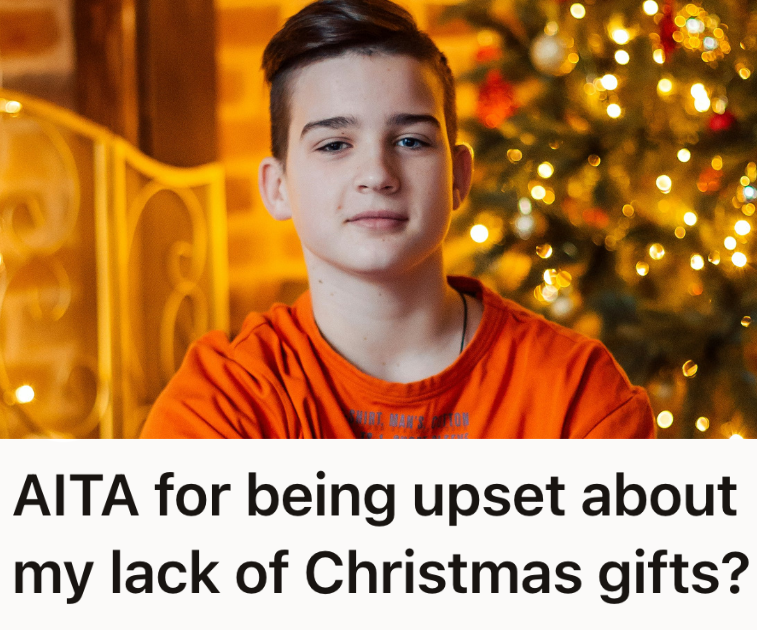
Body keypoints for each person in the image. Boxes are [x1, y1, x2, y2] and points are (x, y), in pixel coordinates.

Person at [140, 0, 654, 439]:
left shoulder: (578, 396)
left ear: (458, 176)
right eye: (334, 145)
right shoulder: (221, 404)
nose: (377, 175)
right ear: (278, 188)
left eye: (410, 141)